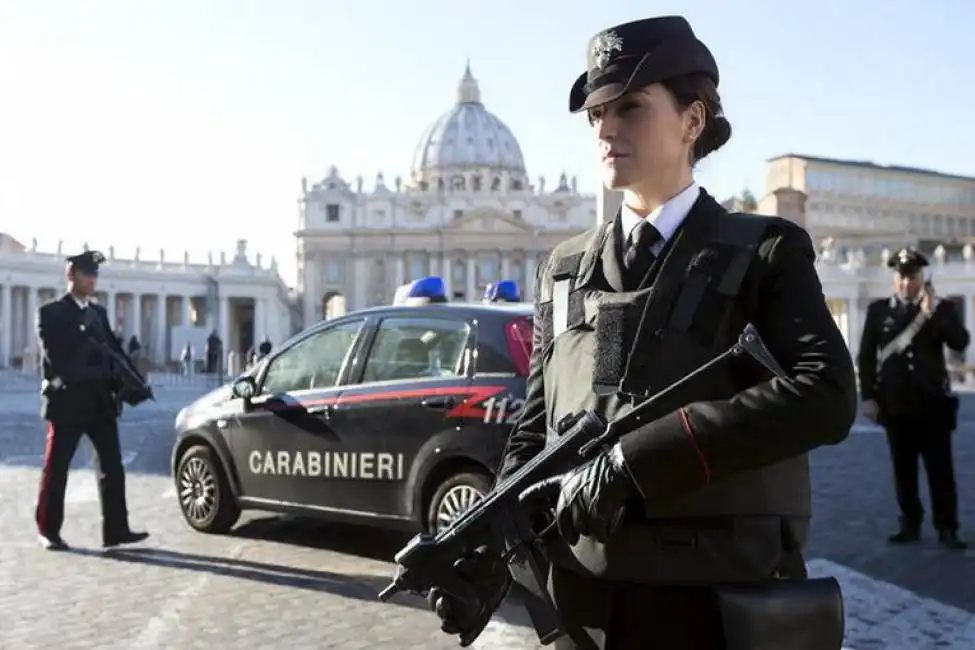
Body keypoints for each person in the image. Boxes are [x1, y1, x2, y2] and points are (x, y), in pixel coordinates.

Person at [427, 15, 858, 649]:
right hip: (582, 608)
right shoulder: (564, 268)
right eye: (596, 113)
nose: (605, 127)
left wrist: (633, 463)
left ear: (692, 120)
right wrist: (497, 549)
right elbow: (536, 425)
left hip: (708, 605)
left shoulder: (765, 251)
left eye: (629, 106)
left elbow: (826, 395)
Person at [34, 250, 150, 551]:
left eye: (95, 274)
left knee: (112, 467)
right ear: (70, 275)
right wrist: (101, 370)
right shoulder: (51, 313)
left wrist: (135, 382)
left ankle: (116, 529)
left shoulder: (98, 313)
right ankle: (48, 529)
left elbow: (114, 349)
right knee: (57, 468)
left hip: (100, 402)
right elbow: (57, 360)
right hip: (68, 403)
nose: (92, 279)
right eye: (87, 273)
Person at [858, 247, 968, 550]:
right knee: (903, 471)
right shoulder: (879, 311)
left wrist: (934, 316)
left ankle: (947, 527)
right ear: (895, 278)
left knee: (940, 471)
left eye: (913, 276)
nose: (907, 282)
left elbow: (960, 341)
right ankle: (910, 523)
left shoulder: (941, 309)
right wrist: (868, 397)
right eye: (902, 276)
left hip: (933, 407)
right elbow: (866, 357)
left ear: (922, 278)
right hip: (896, 406)